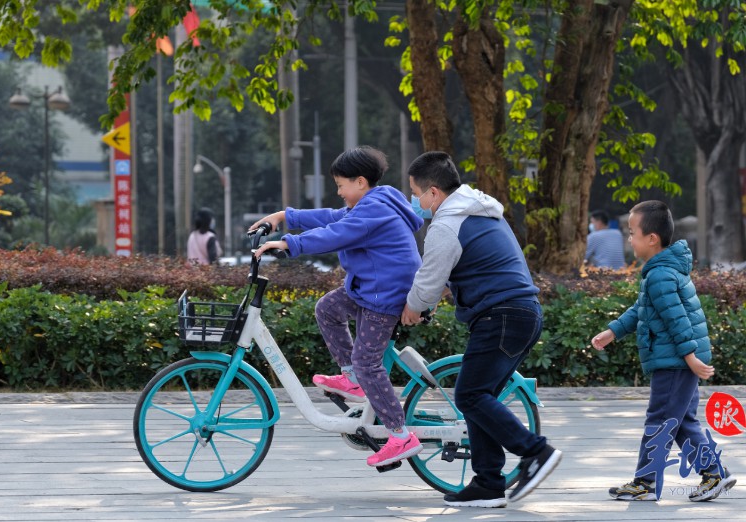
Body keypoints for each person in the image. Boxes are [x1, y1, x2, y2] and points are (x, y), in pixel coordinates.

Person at [400, 151, 561, 508]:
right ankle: (488, 482)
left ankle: (536, 452)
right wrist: (433, 296)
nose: (415, 200)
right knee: (477, 398)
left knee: (470, 396)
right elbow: (465, 269)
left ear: (434, 193)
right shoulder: (476, 210)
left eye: (415, 192)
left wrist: (412, 308)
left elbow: (427, 284)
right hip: (520, 313)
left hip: (500, 316)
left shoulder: (446, 224)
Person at [251, 146, 425, 468]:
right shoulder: (371, 204)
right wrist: (284, 217)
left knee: (367, 360)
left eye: (341, 185)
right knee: (328, 308)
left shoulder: (373, 211)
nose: (339, 191)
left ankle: (400, 436)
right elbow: (332, 217)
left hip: (384, 295)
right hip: (369, 289)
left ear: (360, 182)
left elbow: (336, 233)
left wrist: (289, 243)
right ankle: (353, 380)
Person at [592, 200, 737, 502]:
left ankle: (645, 483)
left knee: (659, 419)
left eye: (632, 232)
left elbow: (676, 320)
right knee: (681, 421)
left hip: (675, 361)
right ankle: (714, 475)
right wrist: (613, 330)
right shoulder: (663, 270)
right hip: (679, 360)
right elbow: (644, 309)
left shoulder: (659, 275)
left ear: (651, 239)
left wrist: (690, 358)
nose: (629, 238)